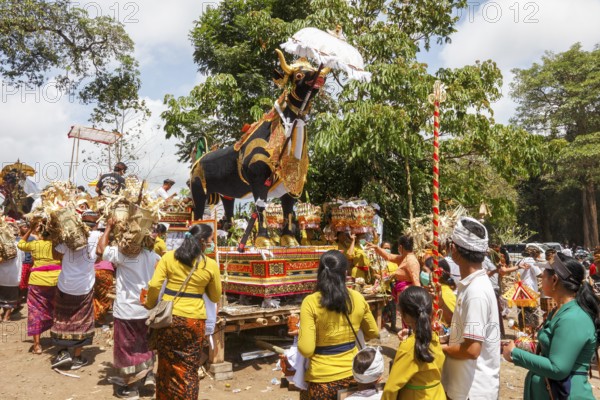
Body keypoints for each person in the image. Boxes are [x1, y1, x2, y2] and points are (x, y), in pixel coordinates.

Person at [502, 253, 600, 399]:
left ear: (554, 280)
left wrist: (515, 354)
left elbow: (558, 368)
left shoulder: (573, 318)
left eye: (544, 275)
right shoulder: (558, 311)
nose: (541, 279)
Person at [145, 223, 222, 400]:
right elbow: (215, 296)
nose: (211, 244)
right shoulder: (209, 265)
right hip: (193, 322)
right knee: (188, 369)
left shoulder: (169, 257)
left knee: (166, 365)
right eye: (210, 241)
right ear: (202, 242)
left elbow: (155, 285)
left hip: (168, 319)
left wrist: (150, 305)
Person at [298, 250, 379, 400]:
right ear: (345, 273)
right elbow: (373, 332)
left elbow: (306, 349)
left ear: (320, 272)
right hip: (353, 376)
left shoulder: (310, 302)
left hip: (322, 381)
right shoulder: (357, 298)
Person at [98, 218, 160, 399]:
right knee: (146, 344)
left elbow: (100, 249)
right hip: (147, 309)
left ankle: (131, 388)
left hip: (127, 310)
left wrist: (108, 227)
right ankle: (148, 374)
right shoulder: (152, 256)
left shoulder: (122, 255)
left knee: (126, 349)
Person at [441, 217, 500, 400]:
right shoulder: (470, 285)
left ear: (454, 249)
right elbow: (463, 328)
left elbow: (472, 350)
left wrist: (437, 347)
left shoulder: (476, 291)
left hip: (472, 391)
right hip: (464, 387)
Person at [50, 211, 102, 370]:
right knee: (82, 322)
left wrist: (55, 236)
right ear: (97, 224)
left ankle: (63, 352)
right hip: (84, 287)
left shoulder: (68, 235)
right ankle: (77, 357)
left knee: (63, 319)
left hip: (65, 285)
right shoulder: (97, 236)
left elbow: (55, 256)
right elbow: (100, 256)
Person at [382, 286, 446, 400]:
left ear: (405, 316)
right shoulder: (434, 337)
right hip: (438, 394)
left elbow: (391, 388)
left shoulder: (409, 346)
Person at [18, 220, 62, 354]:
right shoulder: (58, 246)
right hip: (56, 280)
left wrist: (30, 229)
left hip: (37, 281)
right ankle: (58, 338)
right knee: (56, 309)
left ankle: (37, 345)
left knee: (35, 311)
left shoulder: (35, 244)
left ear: (40, 234)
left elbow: (20, 244)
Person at [368, 235, 420, 302]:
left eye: (398, 247)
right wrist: (377, 248)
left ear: (400, 247)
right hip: (402, 295)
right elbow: (388, 256)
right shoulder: (404, 257)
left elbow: (416, 282)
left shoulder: (411, 261)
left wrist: (418, 300)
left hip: (408, 297)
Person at [516, 247, 544, 331]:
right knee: (531, 312)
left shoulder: (520, 261)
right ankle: (530, 332)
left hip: (520, 290)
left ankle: (523, 331)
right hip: (529, 290)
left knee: (522, 312)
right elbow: (539, 274)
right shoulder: (530, 261)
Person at [0, 223, 22, 322]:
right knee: (11, 297)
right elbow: (24, 260)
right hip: (14, 276)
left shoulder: (1, 244)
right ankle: (6, 316)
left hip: (1, 276)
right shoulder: (19, 245)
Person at [93, 258, 115, 327]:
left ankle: (97, 316)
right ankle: (99, 318)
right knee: (105, 297)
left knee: (95, 294)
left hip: (93, 269)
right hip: (106, 270)